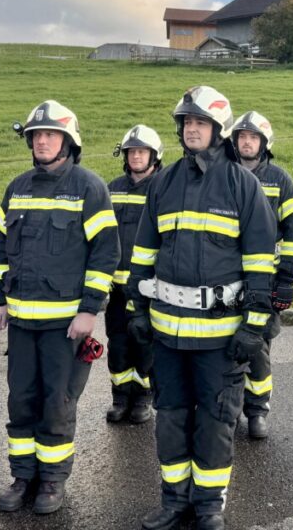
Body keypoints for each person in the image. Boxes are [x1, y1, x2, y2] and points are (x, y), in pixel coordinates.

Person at [127, 85, 277, 530]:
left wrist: (253, 327)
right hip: (168, 334)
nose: (192, 129)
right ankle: (174, 501)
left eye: (201, 123)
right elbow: (143, 253)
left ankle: (209, 505)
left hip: (219, 336)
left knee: (215, 421)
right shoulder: (164, 183)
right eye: (187, 122)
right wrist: (137, 309)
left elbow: (260, 265)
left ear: (219, 129)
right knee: (171, 419)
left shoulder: (243, 186)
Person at [0, 100, 120, 515]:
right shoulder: (17, 187)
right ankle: (22, 476)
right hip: (21, 322)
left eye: (50, 134)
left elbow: (105, 254)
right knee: (21, 401)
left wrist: (89, 310)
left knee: (57, 403)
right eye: (36, 135)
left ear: (68, 141)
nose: (41, 141)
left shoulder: (89, 187)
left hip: (65, 324)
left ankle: (52, 480)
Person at [231, 110, 293, 439]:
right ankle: (230, 406)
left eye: (253, 137)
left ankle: (257, 409)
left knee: (258, 347)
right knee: (225, 344)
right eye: (242, 137)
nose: (247, 142)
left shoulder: (279, 180)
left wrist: (286, 279)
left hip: (266, 279)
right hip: (226, 276)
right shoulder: (224, 174)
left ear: (264, 143)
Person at [104, 125, 163, 424]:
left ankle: (142, 398)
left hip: (148, 289)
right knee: (118, 345)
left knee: (145, 346)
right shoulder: (111, 189)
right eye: (131, 152)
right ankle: (120, 397)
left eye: (142, 151)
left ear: (154, 155)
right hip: (116, 289)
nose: (136, 156)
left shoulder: (162, 188)